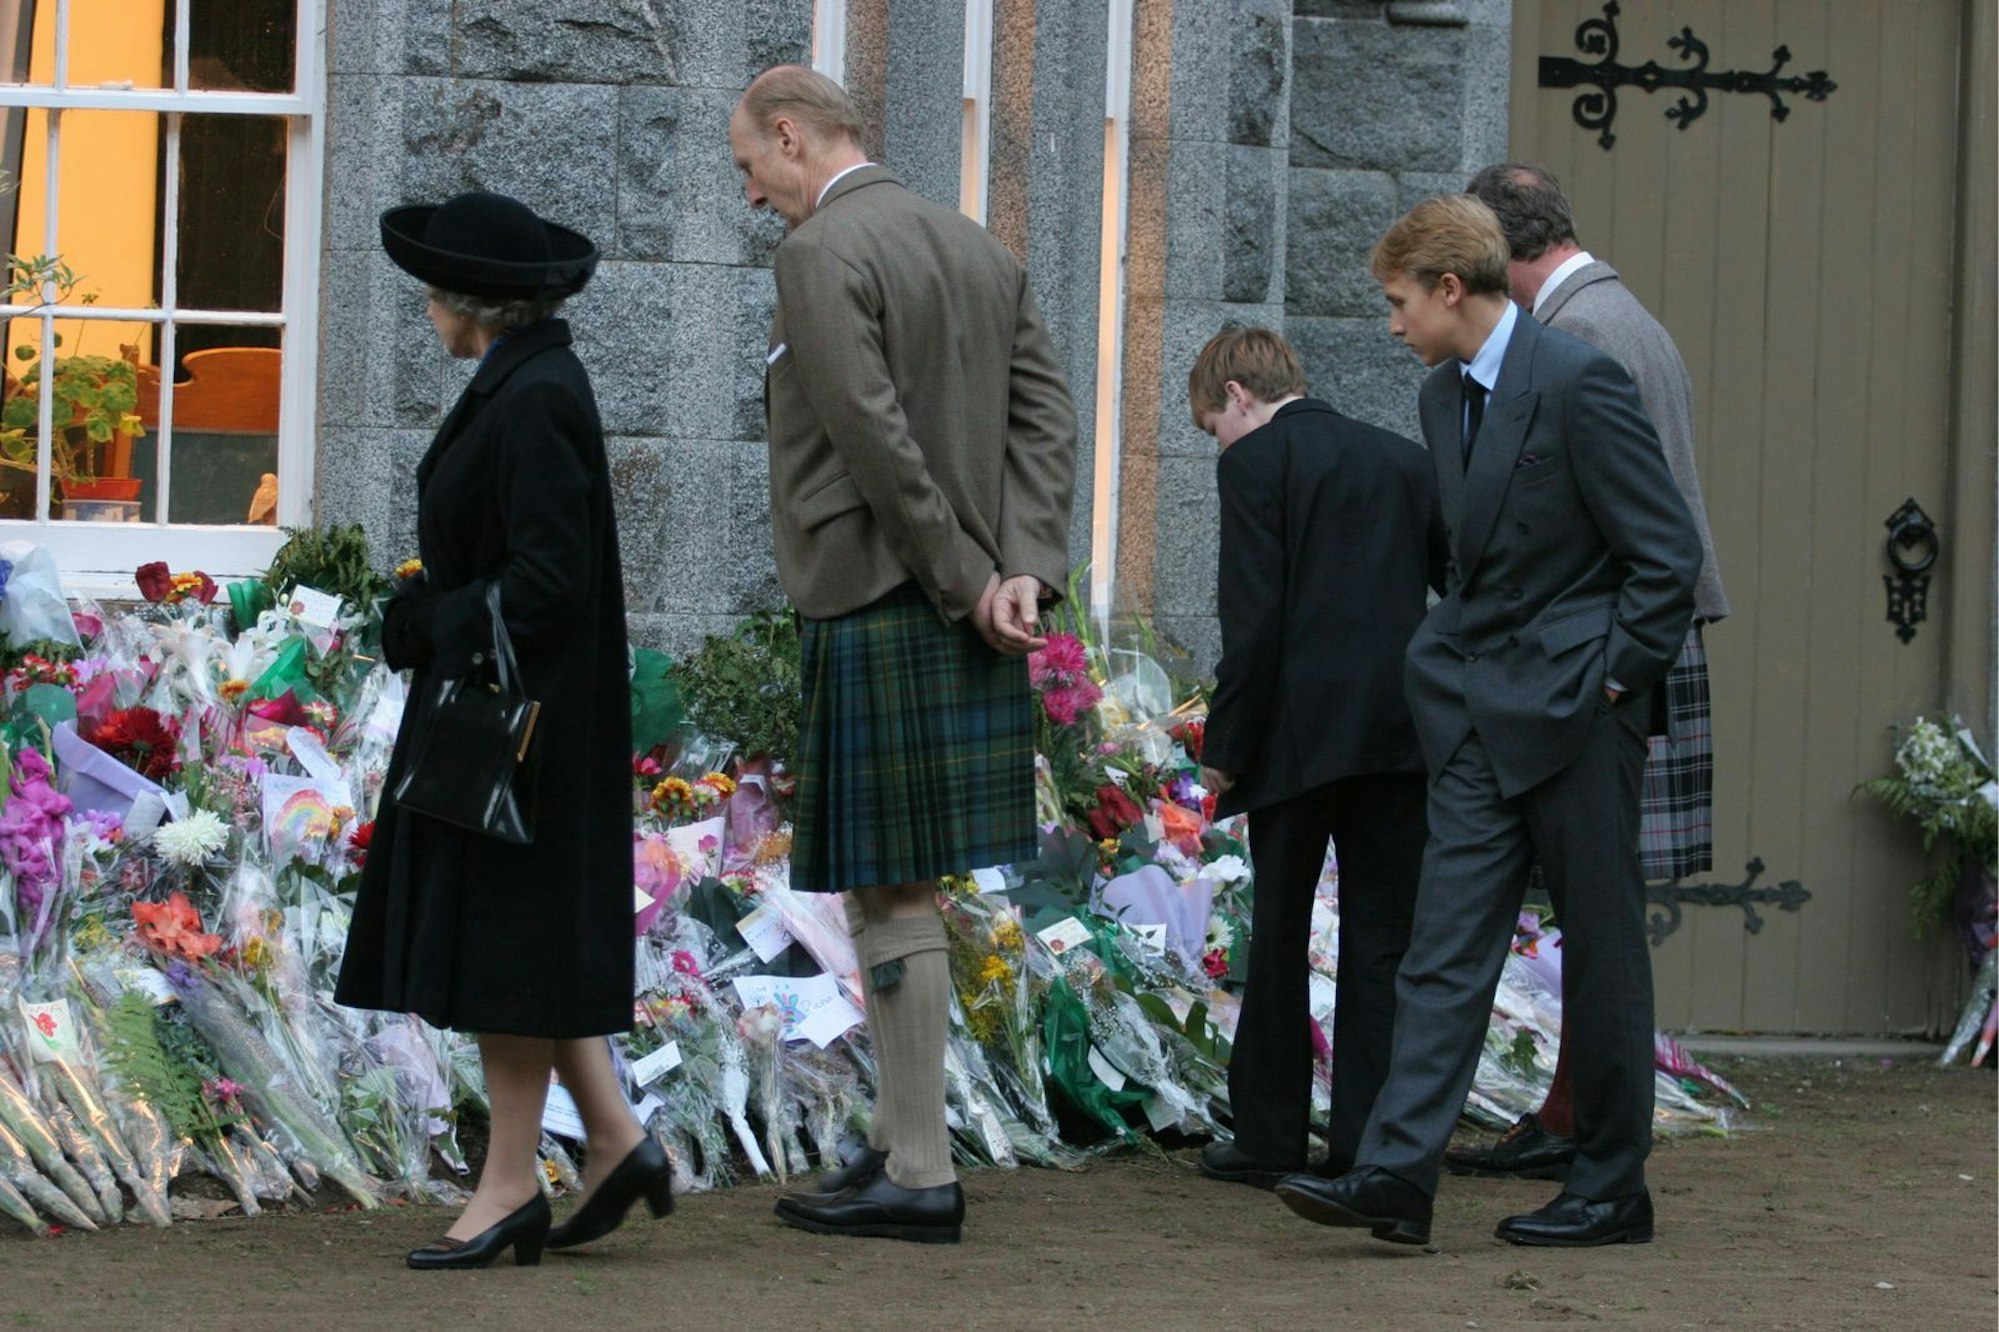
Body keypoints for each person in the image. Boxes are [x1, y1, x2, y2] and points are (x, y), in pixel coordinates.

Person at [1273, 195, 1700, 1248]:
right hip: (1471, 716)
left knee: (1602, 952)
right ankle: (1395, 1178)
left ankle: (1610, 1188)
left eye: (1397, 302)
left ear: (1451, 290)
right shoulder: (1435, 398)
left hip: (1575, 718)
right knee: (1440, 948)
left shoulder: (1579, 380)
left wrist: (1608, 686)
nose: (1390, 324)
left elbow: (1665, 557)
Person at [727, 65, 1077, 1244]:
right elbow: (1046, 416)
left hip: (890, 594)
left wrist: (967, 578)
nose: (752, 193)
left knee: (889, 880)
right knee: (899, 882)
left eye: (748, 168)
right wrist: (1022, 563)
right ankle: (898, 1145)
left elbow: (869, 436)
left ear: (791, 136)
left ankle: (920, 1167)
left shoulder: (821, 254)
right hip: (959, 592)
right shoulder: (973, 245)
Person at [336, 191, 669, 1269]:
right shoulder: (524, 383)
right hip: (513, 713)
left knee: (507, 955)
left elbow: (548, 580)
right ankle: (613, 1142)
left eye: (434, 293)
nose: (426, 311)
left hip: (523, 725)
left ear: (468, 303)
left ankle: (510, 1187)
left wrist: (431, 622)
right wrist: (431, 606)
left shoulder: (533, 398)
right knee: (514, 944)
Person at [1446, 162, 1731, 1183]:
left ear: (1497, 251)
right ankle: (1568, 1118)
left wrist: (1609, 675)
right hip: (1628, 640)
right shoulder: (1621, 315)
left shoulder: (1579, 335)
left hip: (1612, 647)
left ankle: (1593, 1143)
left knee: (1597, 908)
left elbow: (1635, 532)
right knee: (1590, 906)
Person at [1188, 326, 1441, 1190]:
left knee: (1280, 938)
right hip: (1399, 736)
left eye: (1206, 424)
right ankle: (1368, 1143)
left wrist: (1224, 752)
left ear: (1235, 396)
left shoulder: (1253, 465)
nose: (1213, 442)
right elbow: (1456, 589)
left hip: (1296, 741)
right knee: (1382, 945)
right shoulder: (1404, 462)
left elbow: (1250, 622)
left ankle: (1268, 1136)